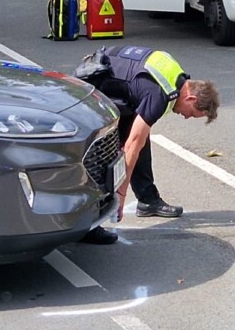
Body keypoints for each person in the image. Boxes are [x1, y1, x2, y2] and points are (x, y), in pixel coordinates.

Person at [79, 46, 220, 245]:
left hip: (111, 77)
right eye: (192, 113)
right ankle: (90, 225)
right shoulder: (160, 95)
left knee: (140, 136)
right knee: (103, 154)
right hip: (94, 85)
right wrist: (120, 194)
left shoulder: (176, 78)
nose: (186, 117)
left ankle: (147, 199)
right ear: (191, 98)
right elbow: (131, 147)